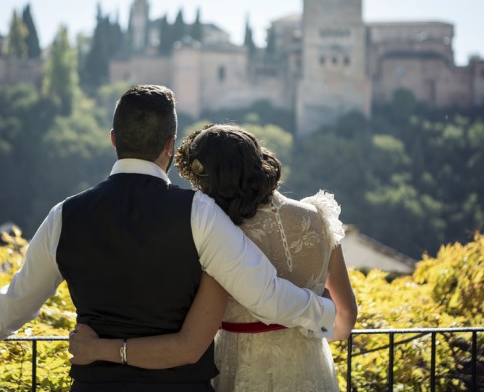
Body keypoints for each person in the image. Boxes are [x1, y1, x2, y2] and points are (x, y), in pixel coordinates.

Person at [0, 85, 335, 392]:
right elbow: (264, 295)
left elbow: (17, 303)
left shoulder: (64, 216)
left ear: (113, 139)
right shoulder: (199, 214)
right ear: (170, 146)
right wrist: (323, 314)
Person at [68, 124, 358, 391]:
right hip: (311, 369)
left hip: (240, 369)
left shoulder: (219, 235)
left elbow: (192, 336)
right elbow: (345, 320)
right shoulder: (319, 218)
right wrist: (303, 337)